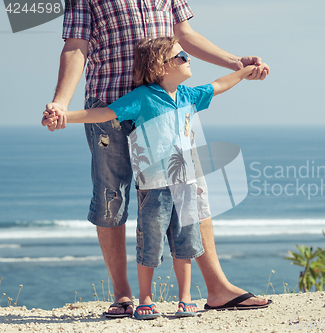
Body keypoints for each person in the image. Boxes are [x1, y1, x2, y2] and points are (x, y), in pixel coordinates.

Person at [42, 0, 271, 318]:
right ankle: (123, 295)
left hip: (168, 105)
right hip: (110, 102)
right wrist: (60, 104)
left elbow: (185, 34)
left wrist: (235, 63)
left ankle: (217, 288)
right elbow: (76, 45)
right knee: (112, 197)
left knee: (189, 190)